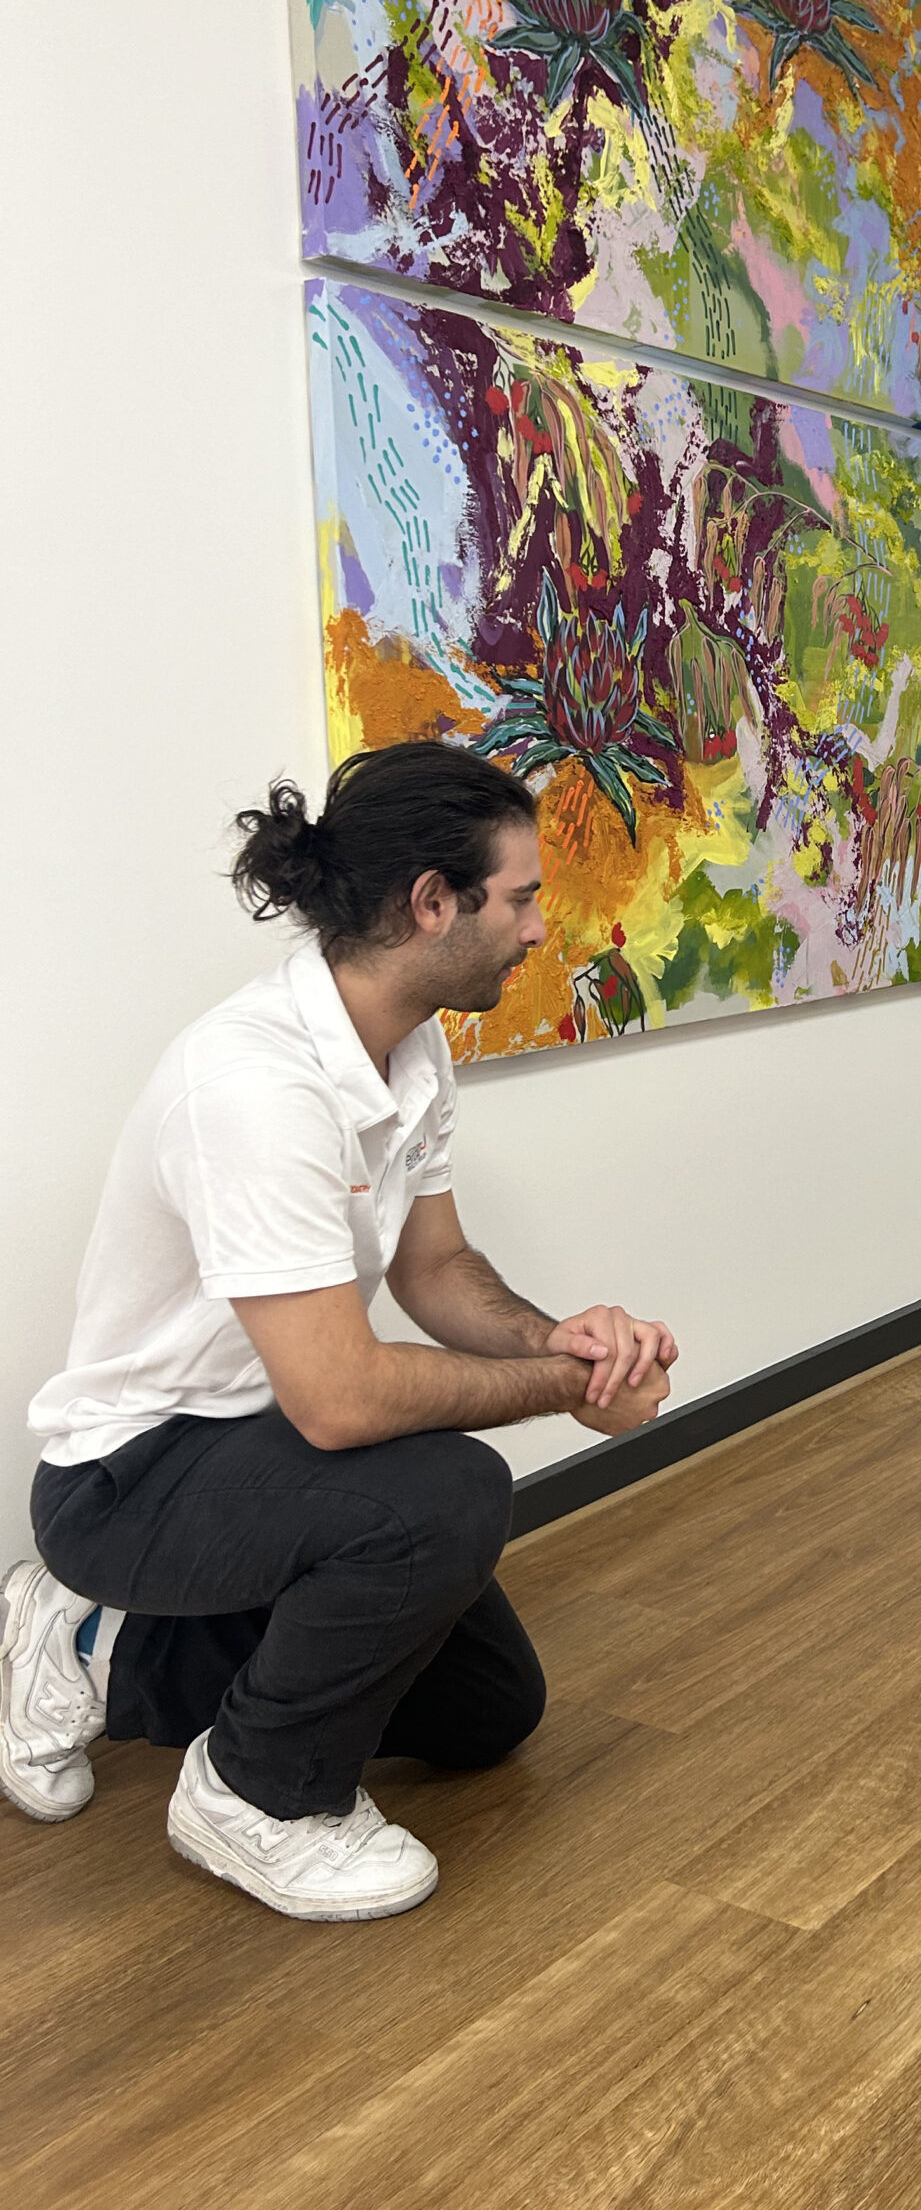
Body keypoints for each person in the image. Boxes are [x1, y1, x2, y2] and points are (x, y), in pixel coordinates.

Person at [0, 742, 678, 1919]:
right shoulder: (253, 1088)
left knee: (488, 1709)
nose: (537, 929)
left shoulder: (409, 1047)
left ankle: (100, 1650)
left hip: (262, 1453)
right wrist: (564, 1391)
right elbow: (341, 1400)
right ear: (432, 902)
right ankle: (255, 1794)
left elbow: (436, 1266)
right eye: (520, 898)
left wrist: (561, 1343)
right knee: (449, 1493)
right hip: (131, 1476)